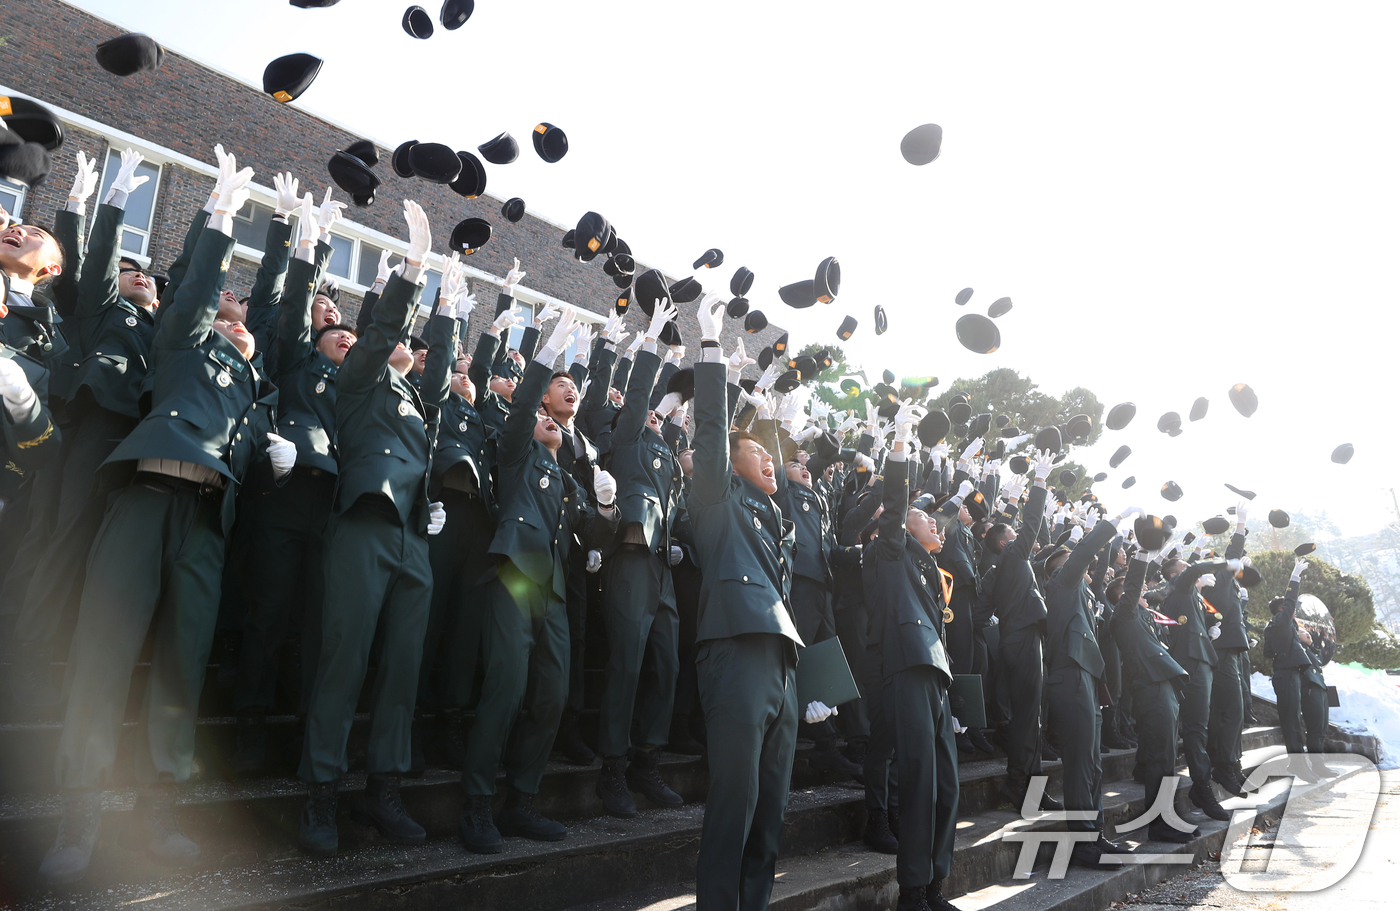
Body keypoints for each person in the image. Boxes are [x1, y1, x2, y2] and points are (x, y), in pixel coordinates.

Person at [42, 147, 288, 884]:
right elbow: (191, 299)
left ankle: (161, 807)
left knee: (180, 670)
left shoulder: (250, 386)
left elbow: (267, 328)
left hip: (206, 523)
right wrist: (220, 218)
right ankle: (76, 814)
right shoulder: (181, 343)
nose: (239, 327)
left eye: (246, 331)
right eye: (231, 320)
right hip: (145, 500)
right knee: (102, 653)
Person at [297, 201, 442, 858]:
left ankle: (384, 787)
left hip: (412, 535)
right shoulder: (358, 378)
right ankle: (321, 791)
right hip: (364, 520)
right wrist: (411, 271)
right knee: (344, 658)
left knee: (404, 669)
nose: (395, 349)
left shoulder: (415, 399)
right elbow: (381, 334)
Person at [458, 303, 619, 853]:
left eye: (556, 418)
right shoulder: (513, 453)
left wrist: (603, 511)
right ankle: (476, 805)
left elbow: (592, 539)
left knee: (551, 695)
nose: (551, 418)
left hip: (549, 591)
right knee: (505, 689)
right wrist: (546, 356)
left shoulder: (566, 478)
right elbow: (524, 404)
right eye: (544, 411)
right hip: (513, 577)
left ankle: (521, 801)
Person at [688, 294, 804, 911]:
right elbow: (712, 434)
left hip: (782, 660)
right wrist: (711, 351)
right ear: (729, 469)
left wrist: (780, 410)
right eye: (755, 453)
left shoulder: (771, 515)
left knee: (771, 804)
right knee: (735, 799)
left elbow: (780, 475)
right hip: (735, 650)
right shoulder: (717, 501)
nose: (769, 459)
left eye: (770, 454)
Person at [230, 188, 347, 773]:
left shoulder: (356, 386)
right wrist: (310, 241)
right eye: (331, 321)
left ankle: (305, 725)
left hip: (331, 505)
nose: (339, 325)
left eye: (344, 325)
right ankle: (249, 720)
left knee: (317, 616)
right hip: (284, 490)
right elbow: (293, 299)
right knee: (271, 606)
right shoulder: (294, 358)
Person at [862, 400, 961, 911]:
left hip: (935, 679)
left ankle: (935, 885)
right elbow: (897, 507)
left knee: (947, 787)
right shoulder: (890, 552)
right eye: (926, 519)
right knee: (920, 783)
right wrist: (901, 443)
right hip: (904, 670)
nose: (935, 525)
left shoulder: (928, 569)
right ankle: (913, 893)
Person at [593, 300, 690, 817]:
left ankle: (646, 759)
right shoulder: (626, 438)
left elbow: (673, 414)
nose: (654, 414)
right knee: (626, 665)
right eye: (648, 411)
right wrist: (652, 341)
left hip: (661, 568)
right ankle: (612, 769)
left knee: (666, 665)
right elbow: (637, 401)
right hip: (629, 557)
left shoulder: (664, 451)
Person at [1041, 506, 1138, 867]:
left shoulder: (1079, 593)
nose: (1084, 568)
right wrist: (1110, 525)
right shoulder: (1061, 585)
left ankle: (1094, 835)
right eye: (1073, 564)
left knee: (1092, 764)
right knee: (1082, 762)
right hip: (1070, 675)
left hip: (1085, 676)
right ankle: (1082, 842)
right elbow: (1082, 556)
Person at [1109, 540, 1199, 845]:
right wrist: (1144, 555)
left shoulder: (1143, 621)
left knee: (1167, 757)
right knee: (1161, 758)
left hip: (1163, 687)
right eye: (1139, 596)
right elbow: (1134, 588)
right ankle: (1160, 824)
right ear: (1126, 599)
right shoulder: (1125, 615)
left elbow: (1155, 592)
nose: (1146, 598)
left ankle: (1169, 817)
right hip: (1151, 690)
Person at [983, 449, 1059, 810]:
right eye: (1012, 536)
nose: (1020, 539)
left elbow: (980, 613)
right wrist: (1039, 481)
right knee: (1031, 719)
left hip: (1014, 640)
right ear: (1003, 543)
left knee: (1030, 719)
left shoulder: (995, 570)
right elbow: (1030, 525)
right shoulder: (1012, 556)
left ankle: (1028, 787)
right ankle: (1020, 788)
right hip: (1023, 639)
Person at [1159, 550, 1234, 820]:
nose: (1192, 569)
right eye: (1186, 567)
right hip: (1191, 664)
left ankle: (1201, 787)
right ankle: (1201, 787)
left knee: (1200, 727)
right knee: (1195, 728)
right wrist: (1227, 564)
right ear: (1175, 575)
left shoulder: (1192, 597)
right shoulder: (1179, 588)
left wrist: (1209, 635)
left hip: (1201, 661)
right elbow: (1191, 572)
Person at [1204, 505, 1253, 797]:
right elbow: (1232, 555)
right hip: (1222, 652)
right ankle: (1224, 767)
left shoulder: (1230, 587)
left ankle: (1232, 764)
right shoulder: (1219, 582)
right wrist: (1241, 523)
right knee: (1231, 711)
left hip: (1232, 651)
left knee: (1237, 712)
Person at [1263, 558, 1326, 781]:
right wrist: (1295, 575)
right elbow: (1290, 601)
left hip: (1289, 673)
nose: (1295, 612)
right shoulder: (1281, 621)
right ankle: (1297, 765)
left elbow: (1269, 651)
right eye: (1291, 609)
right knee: (1291, 722)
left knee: (1295, 722)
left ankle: (1301, 764)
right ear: (1282, 610)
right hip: (1286, 674)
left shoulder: (1281, 626)